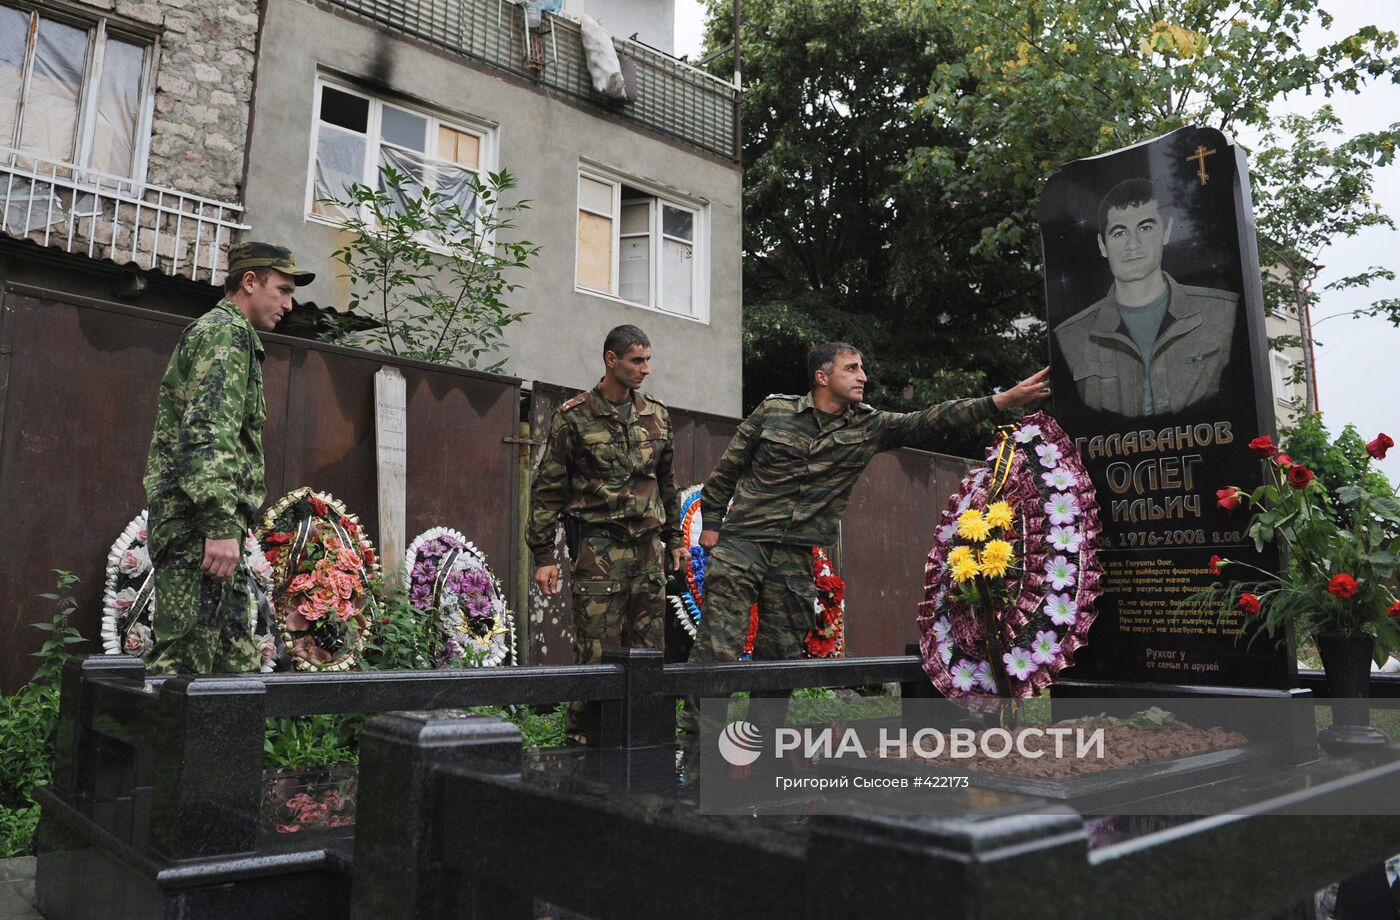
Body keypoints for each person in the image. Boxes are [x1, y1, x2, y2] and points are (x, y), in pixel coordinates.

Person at [688, 344, 1050, 683]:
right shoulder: (774, 411)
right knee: (715, 651)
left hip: (795, 554)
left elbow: (931, 419)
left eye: (862, 368)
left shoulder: (870, 426)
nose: (863, 376)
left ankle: (765, 747)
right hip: (743, 544)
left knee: (781, 662)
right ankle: (695, 749)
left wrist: (1001, 401)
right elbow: (726, 472)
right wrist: (713, 526)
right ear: (822, 377)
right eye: (852, 368)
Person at [142, 242, 314, 674]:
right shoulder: (225, 334)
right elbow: (207, 434)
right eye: (283, 290)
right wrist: (219, 526)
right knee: (184, 671)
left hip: (215, 534)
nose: (289, 305)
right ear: (250, 283)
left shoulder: (237, 336)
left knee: (233, 670)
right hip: (198, 533)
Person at [527, 324, 685, 744]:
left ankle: (645, 739)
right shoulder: (573, 416)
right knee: (594, 653)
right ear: (611, 360)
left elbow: (667, 482)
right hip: (598, 547)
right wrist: (544, 556)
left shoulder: (657, 414)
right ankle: (584, 742)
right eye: (637, 360)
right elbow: (547, 490)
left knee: (649, 654)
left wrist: (676, 541)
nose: (645, 369)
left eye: (648, 359)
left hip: (648, 550)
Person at [1052, 177, 1239, 417]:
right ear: (1102, 244)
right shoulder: (1070, 337)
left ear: (1166, 231)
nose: (1133, 244)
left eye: (1145, 227)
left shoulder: (1224, 314)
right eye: (1119, 233)